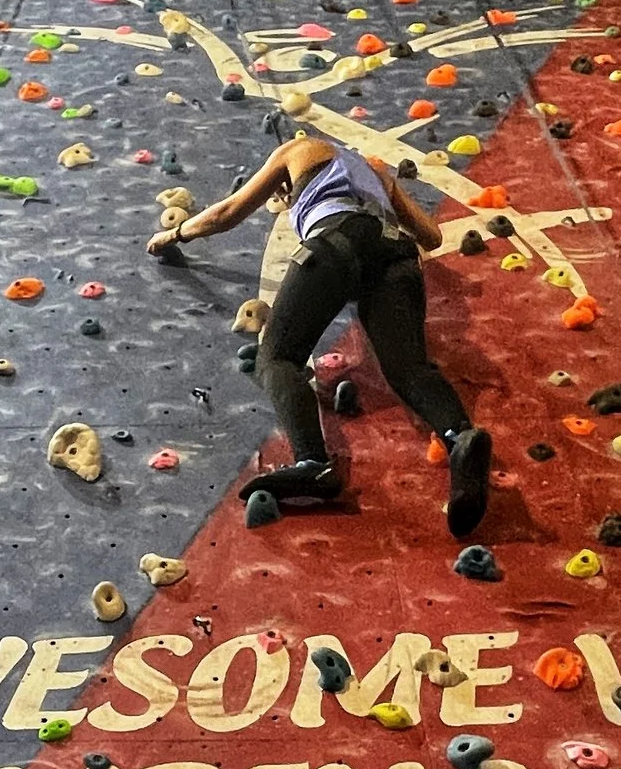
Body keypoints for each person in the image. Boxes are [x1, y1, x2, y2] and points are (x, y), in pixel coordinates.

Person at [149, 124, 492, 535]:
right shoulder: (376, 173)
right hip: (397, 256)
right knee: (409, 369)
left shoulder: (298, 149)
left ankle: (313, 462)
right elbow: (432, 236)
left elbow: (228, 212)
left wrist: (173, 234)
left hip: (336, 240)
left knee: (277, 357)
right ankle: (460, 438)